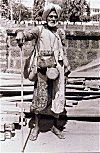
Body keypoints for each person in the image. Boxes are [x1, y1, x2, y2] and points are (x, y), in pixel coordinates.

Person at [16, 3, 71, 141]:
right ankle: (36, 127)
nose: (53, 18)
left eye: (55, 16)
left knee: (56, 97)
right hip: (42, 70)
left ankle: (55, 126)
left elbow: (63, 51)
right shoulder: (39, 30)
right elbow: (28, 34)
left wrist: (66, 68)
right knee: (39, 97)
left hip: (57, 69)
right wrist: (21, 34)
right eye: (50, 16)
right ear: (46, 17)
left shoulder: (60, 33)